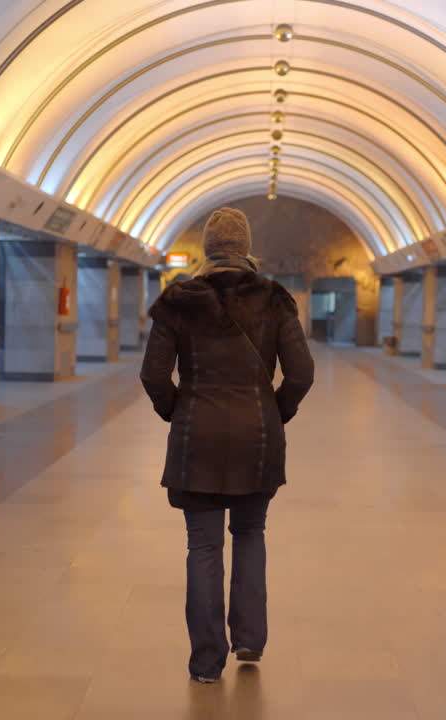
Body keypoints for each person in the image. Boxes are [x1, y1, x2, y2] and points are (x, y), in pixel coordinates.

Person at [140, 207, 315, 684]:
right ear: (246, 247)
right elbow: (301, 373)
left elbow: (154, 374)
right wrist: (274, 411)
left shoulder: (179, 301)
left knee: (202, 546)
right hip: (256, 440)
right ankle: (251, 640)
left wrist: (178, 410)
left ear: (207, 248)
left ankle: (205, 662)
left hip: (196, 438)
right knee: (251, 534)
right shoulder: (275, 300)